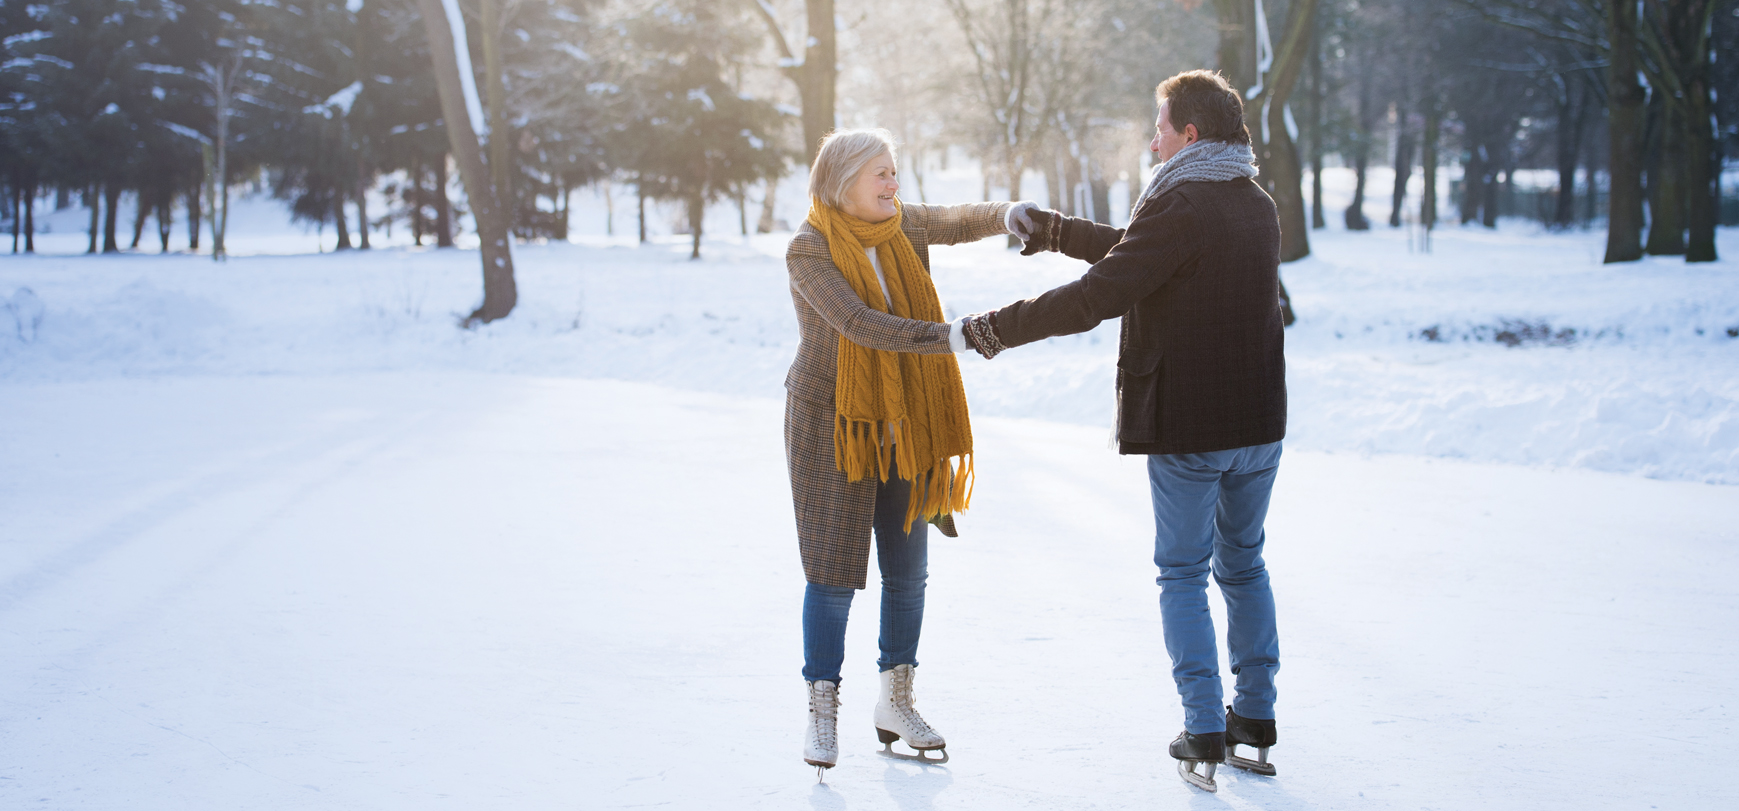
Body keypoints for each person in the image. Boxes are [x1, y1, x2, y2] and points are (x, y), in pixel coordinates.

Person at [959, 70, 1287, 793]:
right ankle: (1254, 722)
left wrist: (991, 330)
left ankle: (1203, 724)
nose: (1151, 139)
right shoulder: (1251, 200)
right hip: (1258, 425)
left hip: (1191, 430)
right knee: (1243, 567)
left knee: (1181, 572)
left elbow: (1102, 293)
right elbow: (1144, 253)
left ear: (1189, 136)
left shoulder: (1182, 202)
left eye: (1160, 127)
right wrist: (1054, 231)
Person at [783, 128, 1021, 776]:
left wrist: (1007, 215)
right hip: (834, 421)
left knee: (908, 571)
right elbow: (860, 323)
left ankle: (896, 699)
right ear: (840, 183)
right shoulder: (808, 250)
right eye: (878, 175)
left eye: (894, 172)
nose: (892, 185)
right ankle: (821, 705)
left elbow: (954, 218)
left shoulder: (900, 227)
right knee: (832, 573)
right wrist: (953, 337)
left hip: (905, 418)